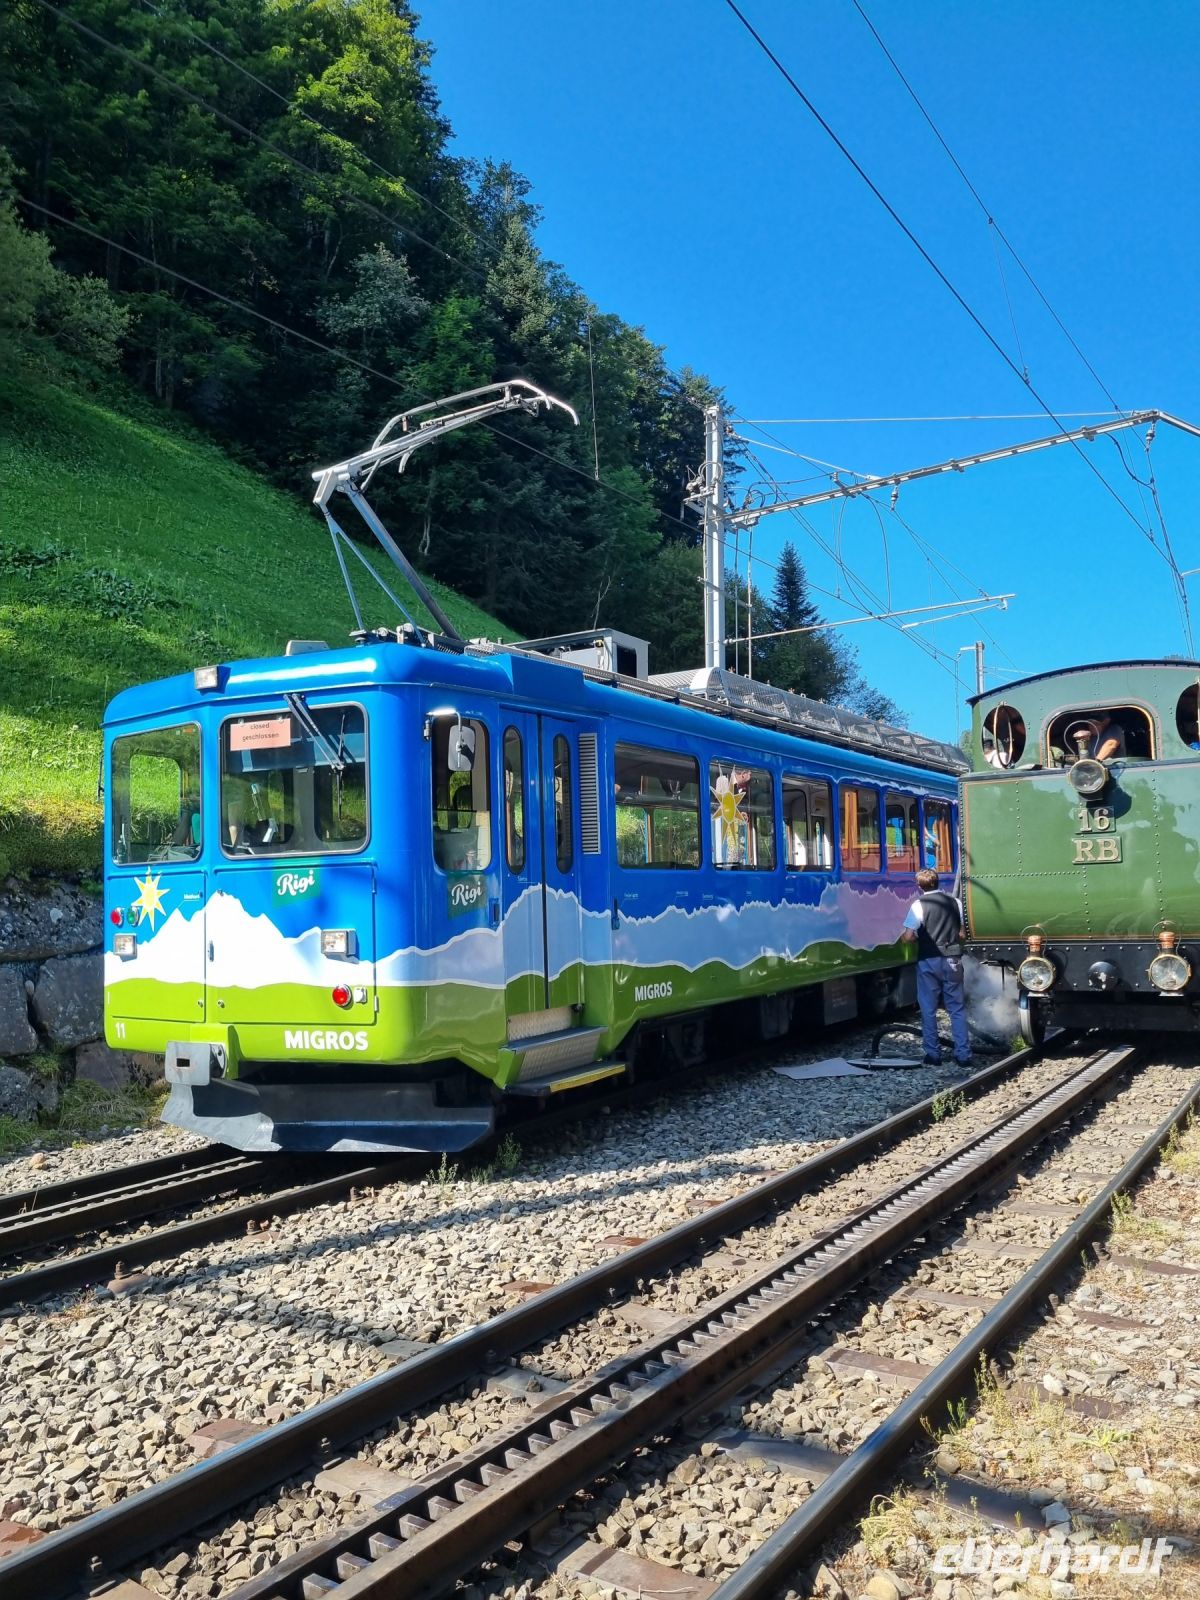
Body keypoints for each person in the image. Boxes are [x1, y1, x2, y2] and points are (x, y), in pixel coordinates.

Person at [900, 867, 972, 1069]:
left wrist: (914, 938)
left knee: (928, 1008)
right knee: (956, 1008)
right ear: (938, 882)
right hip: (953, 959)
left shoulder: (918, 905)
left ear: (919, 886)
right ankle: (963, 1055)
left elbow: (908, 936)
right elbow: (962, 934)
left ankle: (933, 1054)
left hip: (929, 960)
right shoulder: (955, 902)